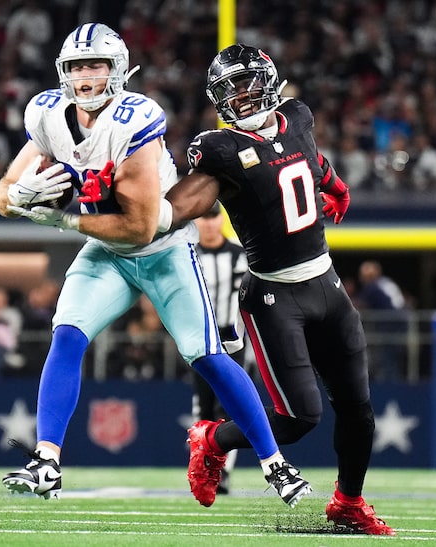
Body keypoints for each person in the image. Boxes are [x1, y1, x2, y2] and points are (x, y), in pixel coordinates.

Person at [0, 24, 309, 507]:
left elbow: (140, 228)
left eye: (95, 65)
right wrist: (20, 197)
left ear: (117, 69)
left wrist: (61, 217)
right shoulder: (47, 114)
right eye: (77, 66)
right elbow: (2, 195)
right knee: (67, 334)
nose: (85, 76)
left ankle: (275, 465)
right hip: (107, 254)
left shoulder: (133, 119)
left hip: (161, 251)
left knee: (206, 355)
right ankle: (46, 462)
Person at [161, 44, 395, 535]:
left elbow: (306, 158)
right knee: (298, 418)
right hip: (274, 297)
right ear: (218, 98)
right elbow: (180, 203)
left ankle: (348, 502)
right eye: (233, 88)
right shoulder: (220, 151)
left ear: (271, 82)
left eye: (250, 83)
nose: (245, 96)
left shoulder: (298, 117)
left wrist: (332, 182)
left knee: (359, 410)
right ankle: (212, 439)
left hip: (326, 283)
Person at [192, 202, 250, 495]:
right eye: (205, 218)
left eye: (214, 218)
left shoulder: (239, 256)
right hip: (199, 344)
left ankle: (223, 471)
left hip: (234, 345)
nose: (210, 224)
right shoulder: (189, 255)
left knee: (229, 408)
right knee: (203, 407)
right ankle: (203, 467)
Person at [358, 260, 408, 382]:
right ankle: (391, 379)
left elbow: (360, 306)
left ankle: (390, 383)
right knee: (392, 357)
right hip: (400, 322)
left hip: (392, 324)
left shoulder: (373, 286)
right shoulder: (386, 282)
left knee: (388, 356)